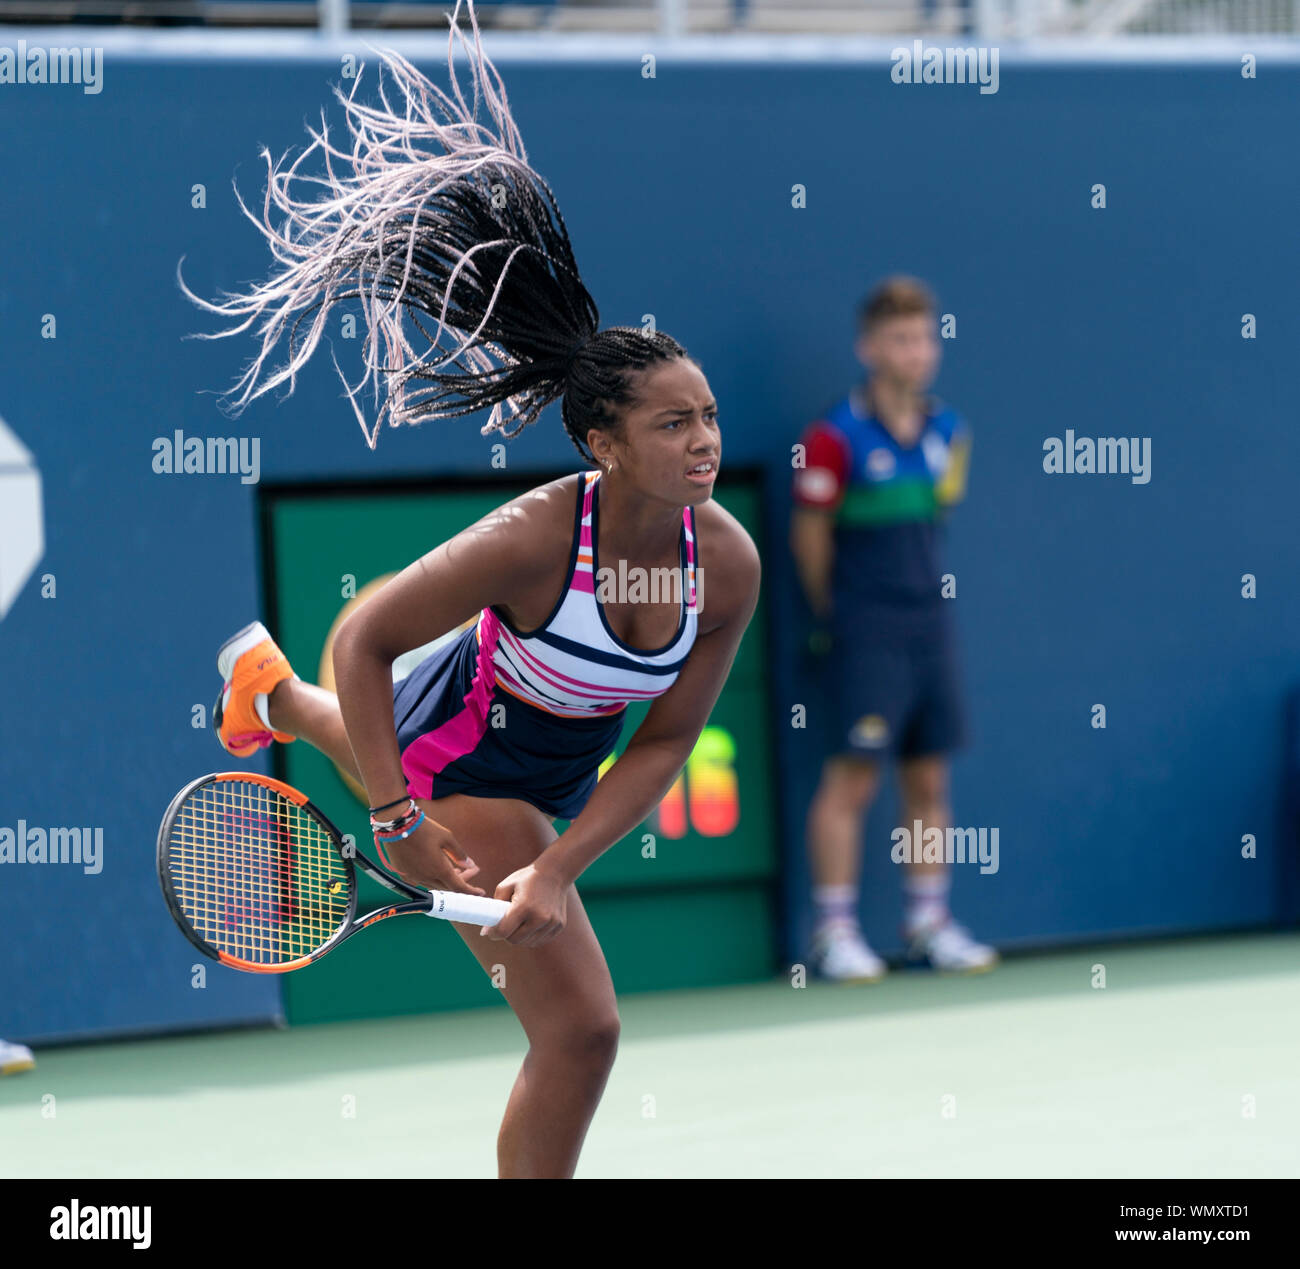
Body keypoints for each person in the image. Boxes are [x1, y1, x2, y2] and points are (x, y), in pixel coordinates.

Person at [183, 1, 760, 1178]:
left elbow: (665, 745)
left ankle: (267, 694)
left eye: (706, 418)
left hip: (549, 775)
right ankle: (290, 702)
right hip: (458, 768)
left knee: (368, 736)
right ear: (602, 442)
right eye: (671, 424)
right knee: (584, 1032)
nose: (702, 441)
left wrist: (557, 869)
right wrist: (397, 818)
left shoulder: (728, 562)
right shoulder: (532, 539)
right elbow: (368, 634)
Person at [790, 275, 997, 982]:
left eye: (925, 338)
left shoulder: (950, 431)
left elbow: (938, 515)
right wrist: (839, 616)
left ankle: (926, 922)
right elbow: (810, 538)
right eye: (902, 338)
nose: (918, 351)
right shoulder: (830, 438)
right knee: (852, 779)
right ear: (869, 347)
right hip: (864, 626)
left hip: (931, 623)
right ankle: (833, 932)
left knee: (929, 778)